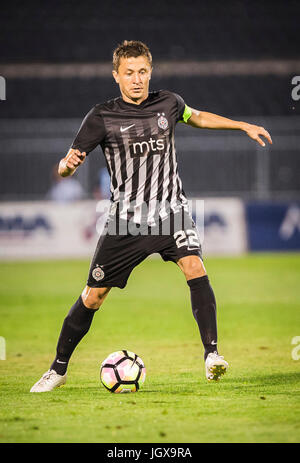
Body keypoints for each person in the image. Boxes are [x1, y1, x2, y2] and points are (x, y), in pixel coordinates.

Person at [30, 40, 272, 392]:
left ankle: (212, 355)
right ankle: (58, 369)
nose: (137, 79)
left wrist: (240, 125)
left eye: (142, 71)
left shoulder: (169, 103)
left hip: (172, 212)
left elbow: (197, 116)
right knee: (93, 295)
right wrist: (67, 167)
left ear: (150, 72)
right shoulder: (101, 116)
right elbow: (66, 164)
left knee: (195, 267)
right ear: (117, 76)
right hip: (126, 220)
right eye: (129, 73)